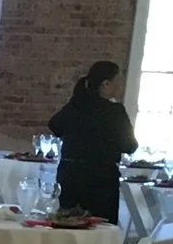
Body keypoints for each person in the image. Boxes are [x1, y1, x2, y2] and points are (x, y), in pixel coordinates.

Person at [48, 60, 136, 223]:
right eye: (119, 81)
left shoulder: (76, 105)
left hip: (70, 174)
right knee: (100, 226)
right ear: (106, 84)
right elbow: (130, 146)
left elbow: (55, 126)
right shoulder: (115, 112)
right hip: (101, 178)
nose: (121, 86)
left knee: (68, 223)